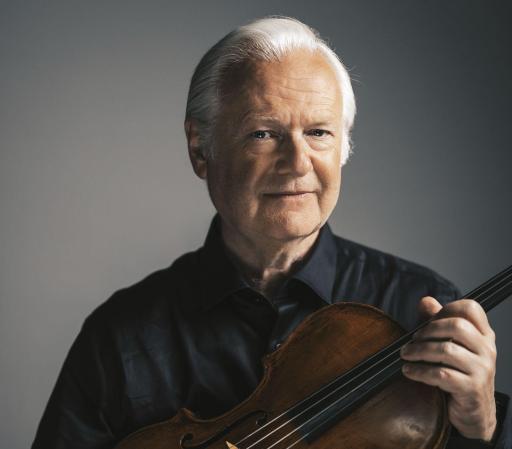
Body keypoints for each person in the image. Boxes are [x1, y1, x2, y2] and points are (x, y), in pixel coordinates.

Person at [32, 16, 511, 449]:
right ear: (200, 148)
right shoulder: (120, 338)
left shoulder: (420, 308)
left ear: (343, 147)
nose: (298, 163)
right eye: (264, 133)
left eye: (318, 132)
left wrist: (482, 426)